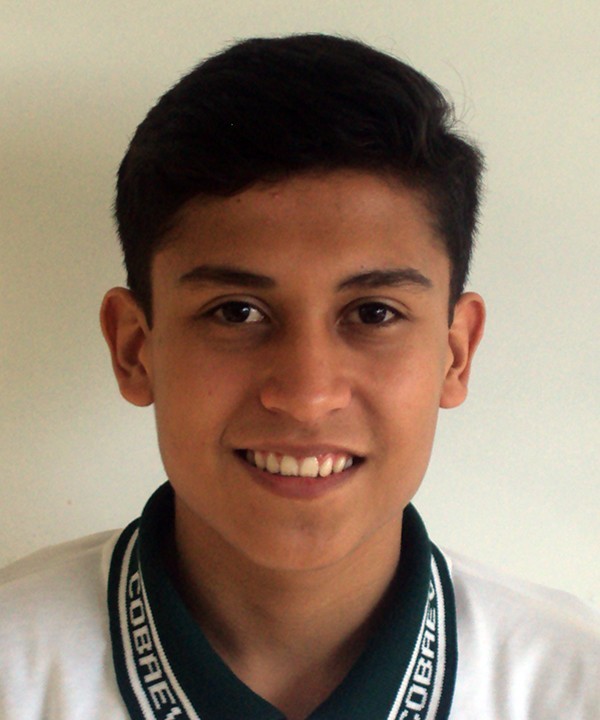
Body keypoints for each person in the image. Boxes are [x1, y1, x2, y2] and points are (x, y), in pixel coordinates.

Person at [0, 34, 597, 720]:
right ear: (136, 349)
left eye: (373, 313)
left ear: (455, 355)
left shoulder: (574, 685)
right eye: (236, 312)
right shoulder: (16, 670)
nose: (308, 396)